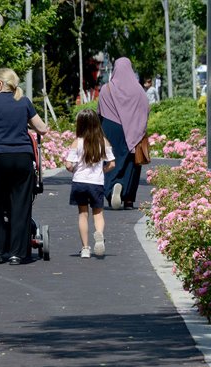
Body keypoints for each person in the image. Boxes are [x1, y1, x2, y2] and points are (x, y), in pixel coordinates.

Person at [0, 68, 49, 265]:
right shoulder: (23, 102)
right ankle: (18, 253)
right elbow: (42, 128)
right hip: (22, 159)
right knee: (21, 205)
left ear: (0, 83)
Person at [98, 57, 149, 210]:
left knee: (110, 158)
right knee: (131, 163)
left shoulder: (106, 89)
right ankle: (128, 199)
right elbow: (146, 109)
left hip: (110, 128)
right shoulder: (138, 90)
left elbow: (100, 110)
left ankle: (112, 187)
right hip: (133, 129)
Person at [65, 109, 115, 259]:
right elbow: (112, 164)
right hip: (96, 183)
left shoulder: (77, 142)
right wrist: (103, 170)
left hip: (79, 182)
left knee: (83, 214)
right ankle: (99, 233)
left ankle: (85, 248)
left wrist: (73, 169)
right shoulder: (103, 142)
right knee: (98, 213)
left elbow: (68, 165)